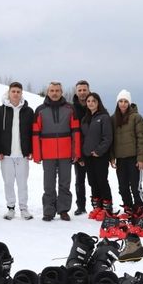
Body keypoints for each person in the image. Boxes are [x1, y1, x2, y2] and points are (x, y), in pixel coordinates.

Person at [32, 82, 81, 221]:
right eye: (52, 90)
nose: (54, 93)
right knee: (48, 184)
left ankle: (63, 210)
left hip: (66, 153)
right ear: (48, 92)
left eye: (57, 90)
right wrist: (37, 154)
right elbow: (35, 133)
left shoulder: (70, 109)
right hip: (47, 154)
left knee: (65, 183)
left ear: (61, 92)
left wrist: (76, 152)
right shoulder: (40, 110)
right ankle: (48, 211)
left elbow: (76, 132)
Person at [0, 82, 34, 220]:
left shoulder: (28, 111)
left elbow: (32, 133)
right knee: (8, 182)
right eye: (13, 91)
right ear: (9, 93)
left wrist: (31, 150)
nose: (16, 94)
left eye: (18, 92)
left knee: (22, 183)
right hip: (6, 155)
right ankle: (10, 208)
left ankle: (24, 208)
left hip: (22, 154)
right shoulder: (0, 111)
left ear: (21, 93)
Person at [110, 89, 143, 223]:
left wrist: (141, 158)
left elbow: (141, 138)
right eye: (121, 101)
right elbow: (111, 140)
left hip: (134, 158)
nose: (123, 104)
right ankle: (128, 207)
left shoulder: (136, 117)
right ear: (117, 103)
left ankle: (139, 208)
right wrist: (112, 157)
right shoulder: (113, 118)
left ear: (129, 103)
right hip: (120, 158)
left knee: (135, 186)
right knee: (122, 186)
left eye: (126, 101)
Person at [80, 92, 113, 218]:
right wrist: (83, 155)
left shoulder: (104, 117)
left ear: (98, 102)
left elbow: (108, 138)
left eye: (93, 101)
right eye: (88, 101)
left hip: (100, 156)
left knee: (102, 181)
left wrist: (99, 151)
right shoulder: (85, 119)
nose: (91, 103)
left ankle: (107, 208)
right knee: (92, 181)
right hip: (88, 156)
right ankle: (97, 207)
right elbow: (83, 139)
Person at [72, 80, 90, 215]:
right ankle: (81, 206)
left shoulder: (95, 106)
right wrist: (77, 153)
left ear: (88, 91)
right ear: (76, 92)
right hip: (79, 151)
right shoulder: (71, 109)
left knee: (97, 180)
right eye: (80, 90)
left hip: (95, 152)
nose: (82, 93)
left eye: (84, 90)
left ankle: (100, 206)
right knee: (80, 181)